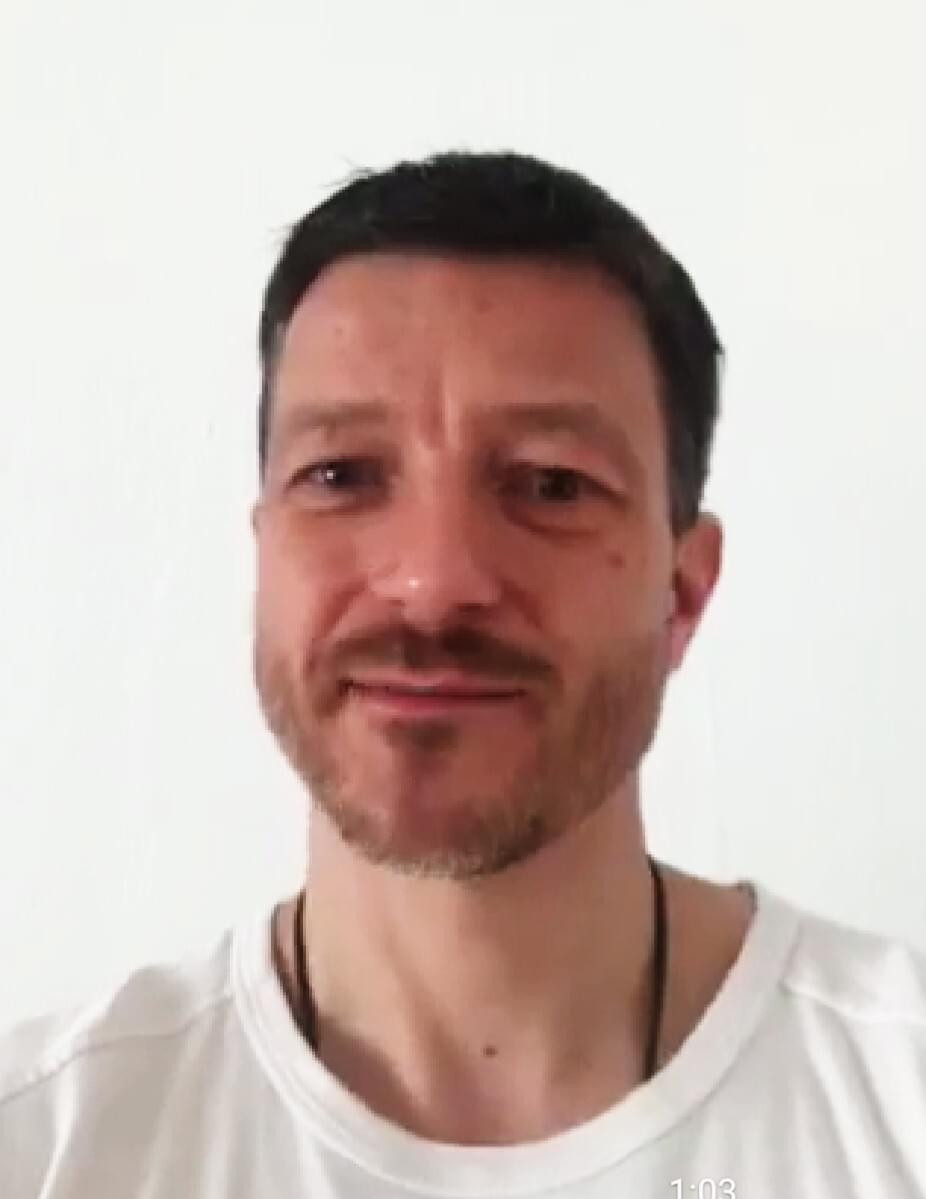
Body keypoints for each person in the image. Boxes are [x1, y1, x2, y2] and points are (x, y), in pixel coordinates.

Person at [2, 149, 925, 1198]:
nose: (432, 584)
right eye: (341, 474)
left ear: (683, 589)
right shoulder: (45, 1150)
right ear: (264, 553)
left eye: (550, 483)